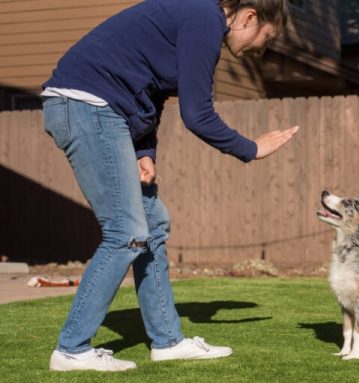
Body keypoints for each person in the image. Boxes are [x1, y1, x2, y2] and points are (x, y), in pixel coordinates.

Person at [41, 0, 298, 372]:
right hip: (88, 105)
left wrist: (145, 150)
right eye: (266, 38)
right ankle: (72, 349)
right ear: (249, 17)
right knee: (125, 231)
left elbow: (153, 90)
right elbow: (197, 114)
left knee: (153, 225)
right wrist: (252, 148)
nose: (262, 49)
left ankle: (167, 341)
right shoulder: (204, 18)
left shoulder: (195, 19)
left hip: (101, 109)